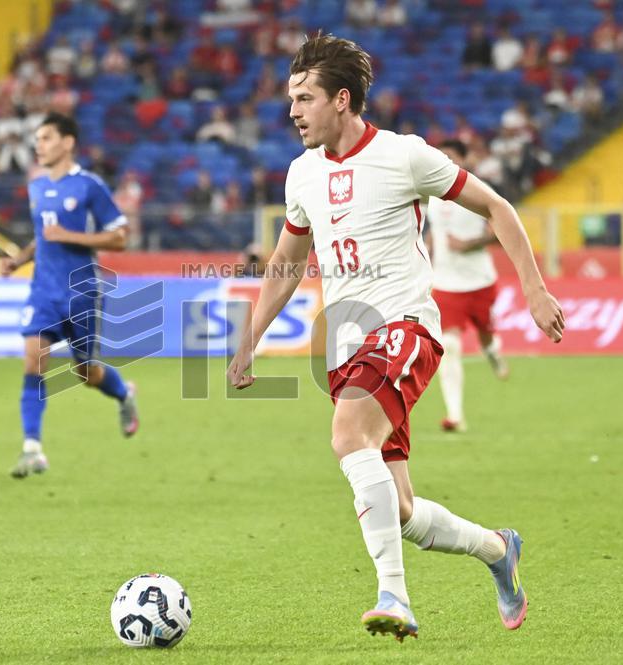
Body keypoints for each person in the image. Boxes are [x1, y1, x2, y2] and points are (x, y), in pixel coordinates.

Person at [226, 34, 565, 642]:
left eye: (304, 98)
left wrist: (535, 290)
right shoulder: (302, 174)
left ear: (342, 100)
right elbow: (286, 262)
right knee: (400, 509)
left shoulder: (405, 155)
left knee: (347, 435)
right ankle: (497, 549)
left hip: (405, 328)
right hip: (345, 348)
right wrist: (250, 339)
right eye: (290, 99)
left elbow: (498, 207)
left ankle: (394, 596)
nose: (293, 111)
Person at [0, 112, 139, 479]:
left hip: (81, 292)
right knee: (33, 359)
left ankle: (124, 394)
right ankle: (32, 448)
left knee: (86, 373)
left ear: (67, 142)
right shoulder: (36, 188)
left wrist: (70, 237)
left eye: (46, 138)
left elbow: (120, 237)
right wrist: (18, 260)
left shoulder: (89, 186)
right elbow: (43, 237)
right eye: (37, 140)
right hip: (43, 291)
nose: (39, 145)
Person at [426, 140, 509, 433]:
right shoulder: (432, 195)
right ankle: (455, 415)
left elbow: (501, 232)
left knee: (486, 338)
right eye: (441, 156)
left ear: (464, 159)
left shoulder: (478, 191)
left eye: (451, 157)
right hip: (446, 283)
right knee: (448, 345)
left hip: (480, 281)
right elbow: (434, 233)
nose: (445, 161)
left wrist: (469, 244)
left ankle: (494, 355)